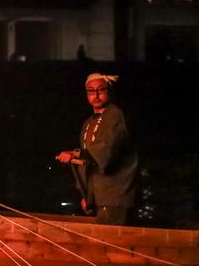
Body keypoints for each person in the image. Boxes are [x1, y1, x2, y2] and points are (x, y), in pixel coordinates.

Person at [56, 73, 139, 225]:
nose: (96, 95)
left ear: (108, 91)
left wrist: (75, 154)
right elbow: (88, 163)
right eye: (91, 91)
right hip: (100, 196)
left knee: (113, 243)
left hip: (116, 195)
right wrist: (87, 196)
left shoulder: (115, 115)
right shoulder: (88, 123)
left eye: (101, 90)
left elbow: (106, 151)